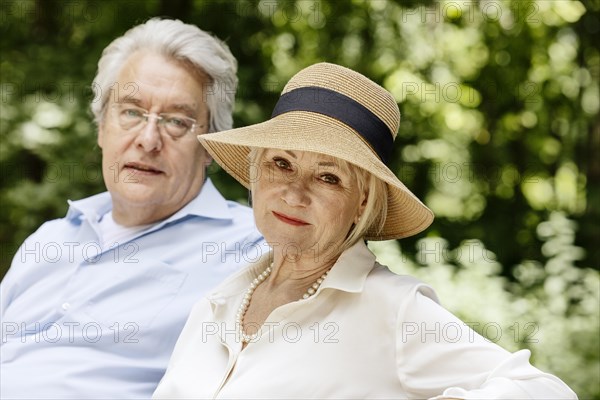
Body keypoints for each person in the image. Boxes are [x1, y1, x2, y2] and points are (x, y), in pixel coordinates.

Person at [152, 62, 577, 399]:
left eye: (328, 177)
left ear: (362, 203)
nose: (294, 194)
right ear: (255, 174)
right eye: (281, 164)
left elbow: (545, 391)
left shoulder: (390, 307)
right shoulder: (218, 301)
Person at [0, 18, 264, 399]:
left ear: (210, 146)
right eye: (131, 112)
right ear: (101, 126)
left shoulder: (252, 249)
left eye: (176, 121)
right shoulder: (52, 237)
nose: (148, 139)